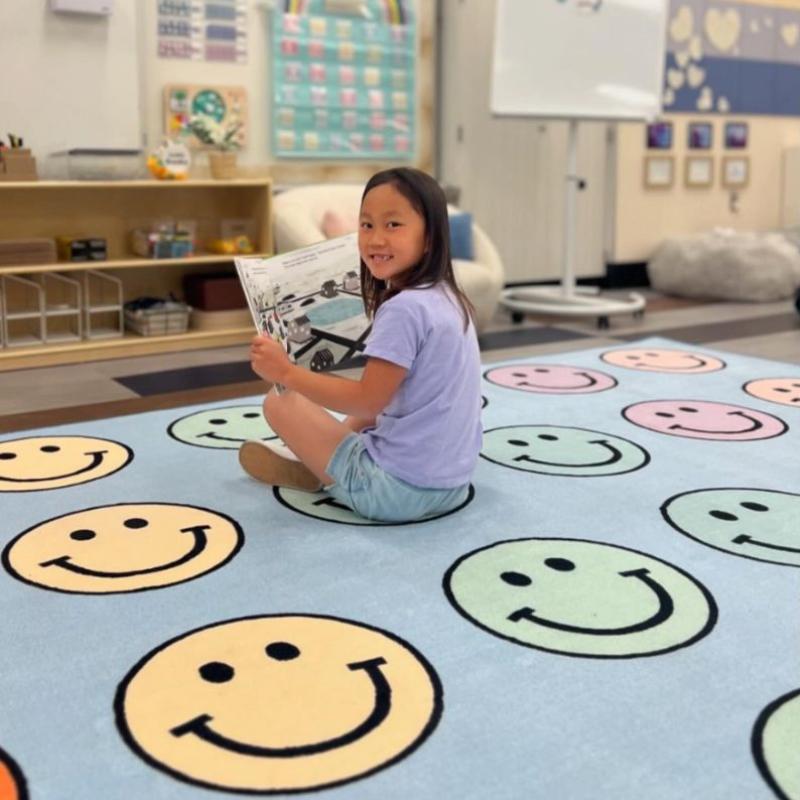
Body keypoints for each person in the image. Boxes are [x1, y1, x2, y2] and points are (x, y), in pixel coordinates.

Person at [239, 167, 482, 523]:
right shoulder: (449, 297)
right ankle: (320, 458)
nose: (375, 239)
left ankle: (319, 465)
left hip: (392, 492)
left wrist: (286, 373)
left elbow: (368, 400)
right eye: (367, 225)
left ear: (430, 237)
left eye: (393, 225)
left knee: (280, 401)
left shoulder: (403, 308)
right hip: (453, 483)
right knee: (386, 395)